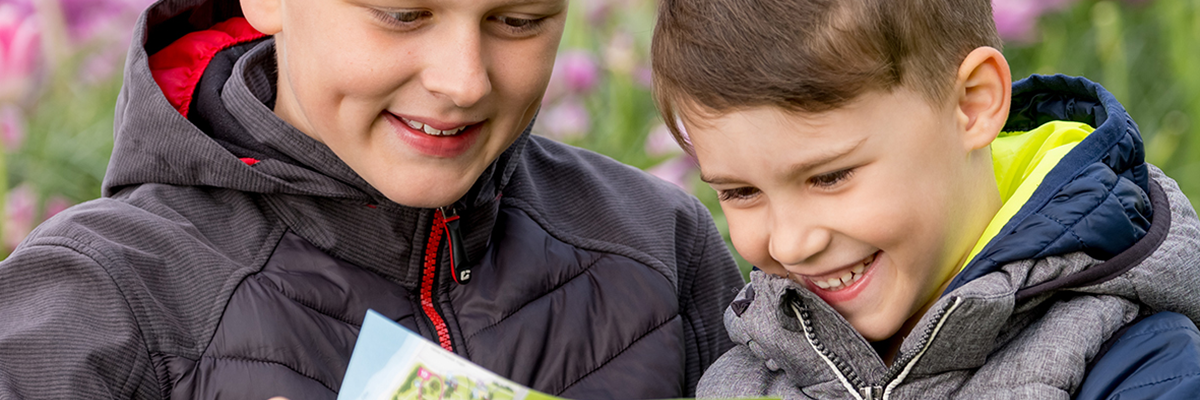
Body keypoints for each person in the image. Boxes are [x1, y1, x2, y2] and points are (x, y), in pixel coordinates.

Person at [0, 0, 746, 398]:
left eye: (518, 21)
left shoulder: (655, 244)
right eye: (402, 13)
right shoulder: (100, 302)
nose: (464, 81)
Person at [650, 0, 1200, 398]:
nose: (791, 243)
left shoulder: (1140, 364)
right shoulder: (741, 379)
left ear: (972, 103)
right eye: (740, 192)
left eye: (830, 177)